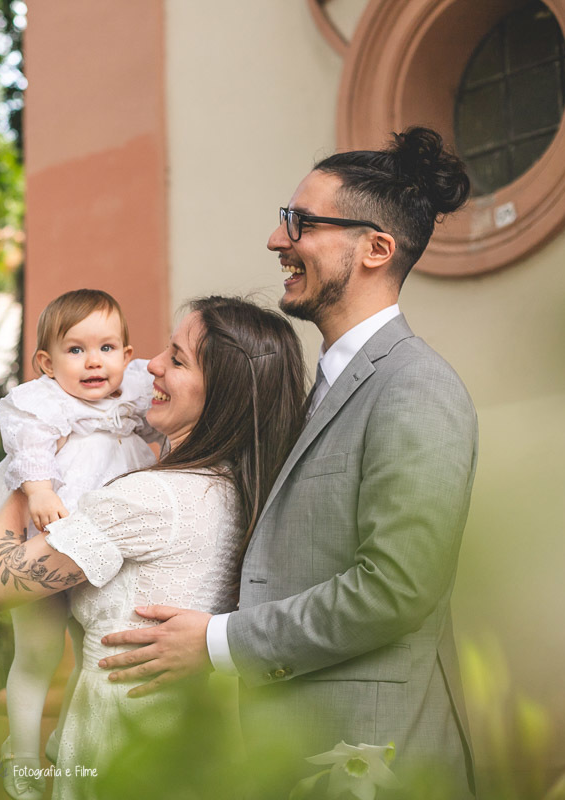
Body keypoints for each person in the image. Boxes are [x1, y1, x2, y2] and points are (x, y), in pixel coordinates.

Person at [97, 128, 478, 796]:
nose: (278, 240)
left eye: (301, 223)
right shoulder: (326, 388)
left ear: (375, 249)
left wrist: (219, 643)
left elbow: (396, 589)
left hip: (374, 761)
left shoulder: (417, 387)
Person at [0, 296, 306, 800]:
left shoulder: (150, 498)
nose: (149, 365)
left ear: (220, 391)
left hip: (118, 741)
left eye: (177, 359)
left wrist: (31, 477)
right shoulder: (235, 489)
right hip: (176, 737)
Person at [0, 288, 160, 800]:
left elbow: (164, 428)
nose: (94, 361)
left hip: (97, 545)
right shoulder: (42, 403)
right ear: (47, 364)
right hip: (46, 534)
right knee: (39, 652)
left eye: (107, 348)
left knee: (89, 644)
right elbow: (27, 453)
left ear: (127, 355)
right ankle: (23, 757)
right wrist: (40, 491)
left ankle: (60, 738)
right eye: (76, 350)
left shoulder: (134, 396)